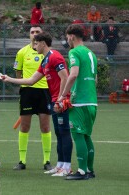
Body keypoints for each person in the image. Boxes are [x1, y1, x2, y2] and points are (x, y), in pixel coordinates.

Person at [2, 32, 73, 176]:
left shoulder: (54, 56)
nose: (34, 46)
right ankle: (60, 165)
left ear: (43, 43)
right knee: (59, 133)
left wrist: (61, 98)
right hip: (54, 99)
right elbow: (31, 80)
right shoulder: (45, 60)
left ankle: (67, 167)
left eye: (36, 43)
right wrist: (9, 79)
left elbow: (65, 77)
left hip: (60, 101)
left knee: (64, 132)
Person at [57, 24, 98, 180]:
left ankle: (81, 171)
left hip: (79, 101)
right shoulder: (91, 53)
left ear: (72, 36)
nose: (67, 39)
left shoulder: (74, 51)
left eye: (67, 36)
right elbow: (95, 80)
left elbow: (73, 75)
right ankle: (90, 170)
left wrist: (63, 95)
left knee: (78, 135)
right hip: (92, 101)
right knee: (86, 135)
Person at [12, 25, 52, 171]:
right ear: (29, 35)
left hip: (44, 92)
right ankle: (22, 161)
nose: (34, 34)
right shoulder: (22, 52)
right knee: (25, 126)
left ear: (43, 35)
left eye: (37, 32)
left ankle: (47, 161)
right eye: (32, 32)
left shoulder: (47, 52)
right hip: (28, 92)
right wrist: (23, 86)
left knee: (45, 126)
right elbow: (18, 71)